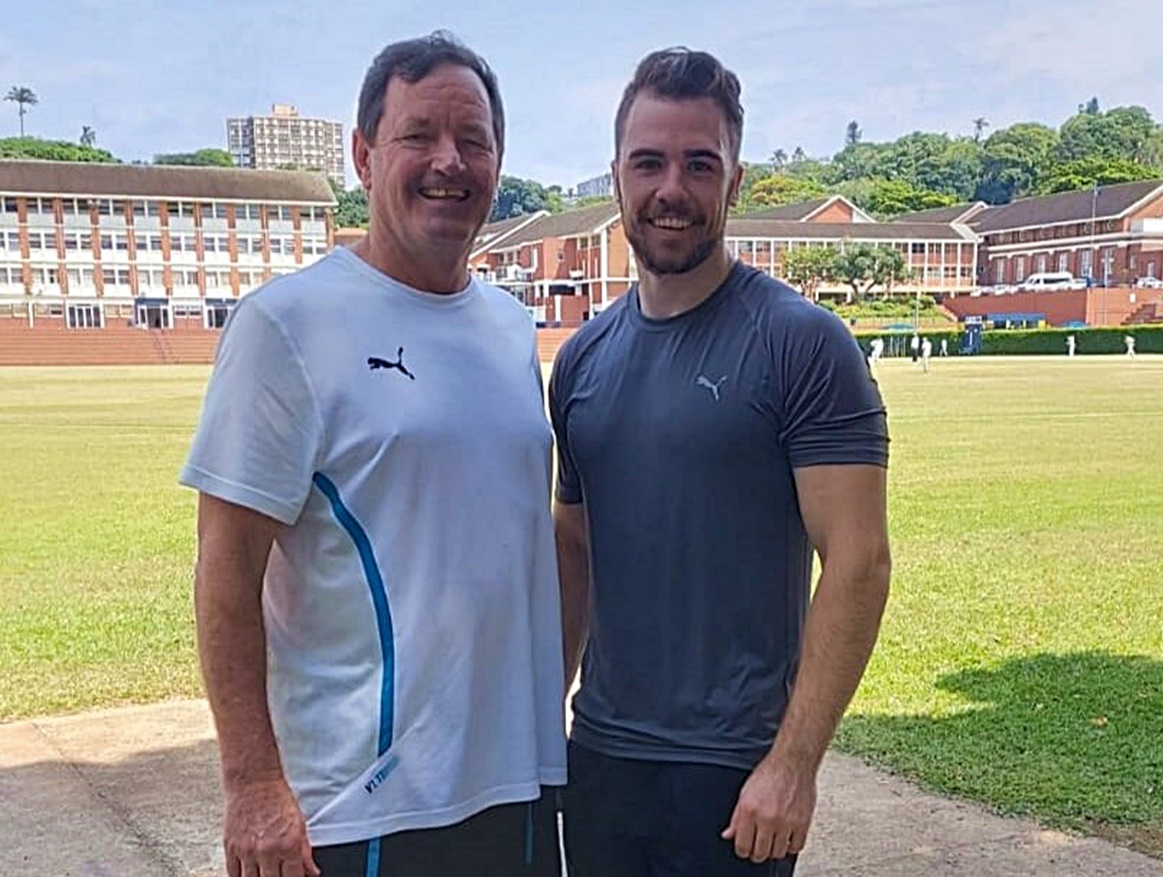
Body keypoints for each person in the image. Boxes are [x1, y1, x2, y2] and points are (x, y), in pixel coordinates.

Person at [180, 32, 566, 877]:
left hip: (518, 787)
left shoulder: (509, 328)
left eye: (474, 141)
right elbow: (224, 569)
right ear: (362, 155)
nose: (449, 162)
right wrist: (251, 784)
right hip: (365, 808)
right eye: (418, 135)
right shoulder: (288, 324)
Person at [550, 47, 891, 877]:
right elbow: (574, 546)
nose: (672, 189)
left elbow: (858, 561)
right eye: (649, 162)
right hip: (601, 758)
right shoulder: (582, 360)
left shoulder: (804, 345)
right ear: (616, 177)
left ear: (735, 180)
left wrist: (793, 764)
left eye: (700, 164)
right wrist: (538, 727)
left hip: (735, 771)